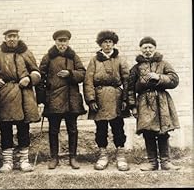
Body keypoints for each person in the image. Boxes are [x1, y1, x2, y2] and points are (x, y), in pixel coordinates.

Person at [0, 29, 41, 173]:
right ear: (5, 39)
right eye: (9, 37)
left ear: (18, 37)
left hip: (24, 94)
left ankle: (24, 161)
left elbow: (36, 71)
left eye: (14, 36)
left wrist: (29, 79)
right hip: (6, 94)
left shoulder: (26, 53)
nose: (12, 39)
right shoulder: (0, 55)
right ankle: (7, 162)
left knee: (23, 128)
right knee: (5, 128)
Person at [128, 36, 181, 171]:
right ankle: (152, 162)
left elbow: (174, 80)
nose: (147, 50)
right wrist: (133, 106)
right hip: (144, 102)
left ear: (155, 48)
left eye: (150, 47)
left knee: (163, 132)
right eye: (144, 48)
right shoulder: (136, 68)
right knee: (148, 132)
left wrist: (160, 77)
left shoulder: (164, 64)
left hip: (161, 100)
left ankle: (165, 162)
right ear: (140, 49)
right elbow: (130, 89)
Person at [36, 30, 86, 169]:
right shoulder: (48, 58)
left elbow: (82, 74)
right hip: (54, 99)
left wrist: (70, 73)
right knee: (53, 130)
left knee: (73, 130)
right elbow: (41, 79)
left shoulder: (73, 57)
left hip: (71, 99)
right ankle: (54, 158)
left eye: (65, 41)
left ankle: (73, 158)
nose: (62, 44)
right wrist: (42, 99)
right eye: (60, 41)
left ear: (68, 42)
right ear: (55, 42)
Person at [83, 30, 130, 171]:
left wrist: (125, 98)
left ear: (114, 44)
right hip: (100, 98)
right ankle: (103, 155)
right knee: (101, 128)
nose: (108, 45)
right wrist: (91, 100)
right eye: (105, 42)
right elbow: (88, 81)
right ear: (100, 44)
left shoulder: (120, 60)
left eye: (110, 42)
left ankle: (120, 155)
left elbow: (127, 80)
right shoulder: (94, 60)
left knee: (118, 127)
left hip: (116, 97)